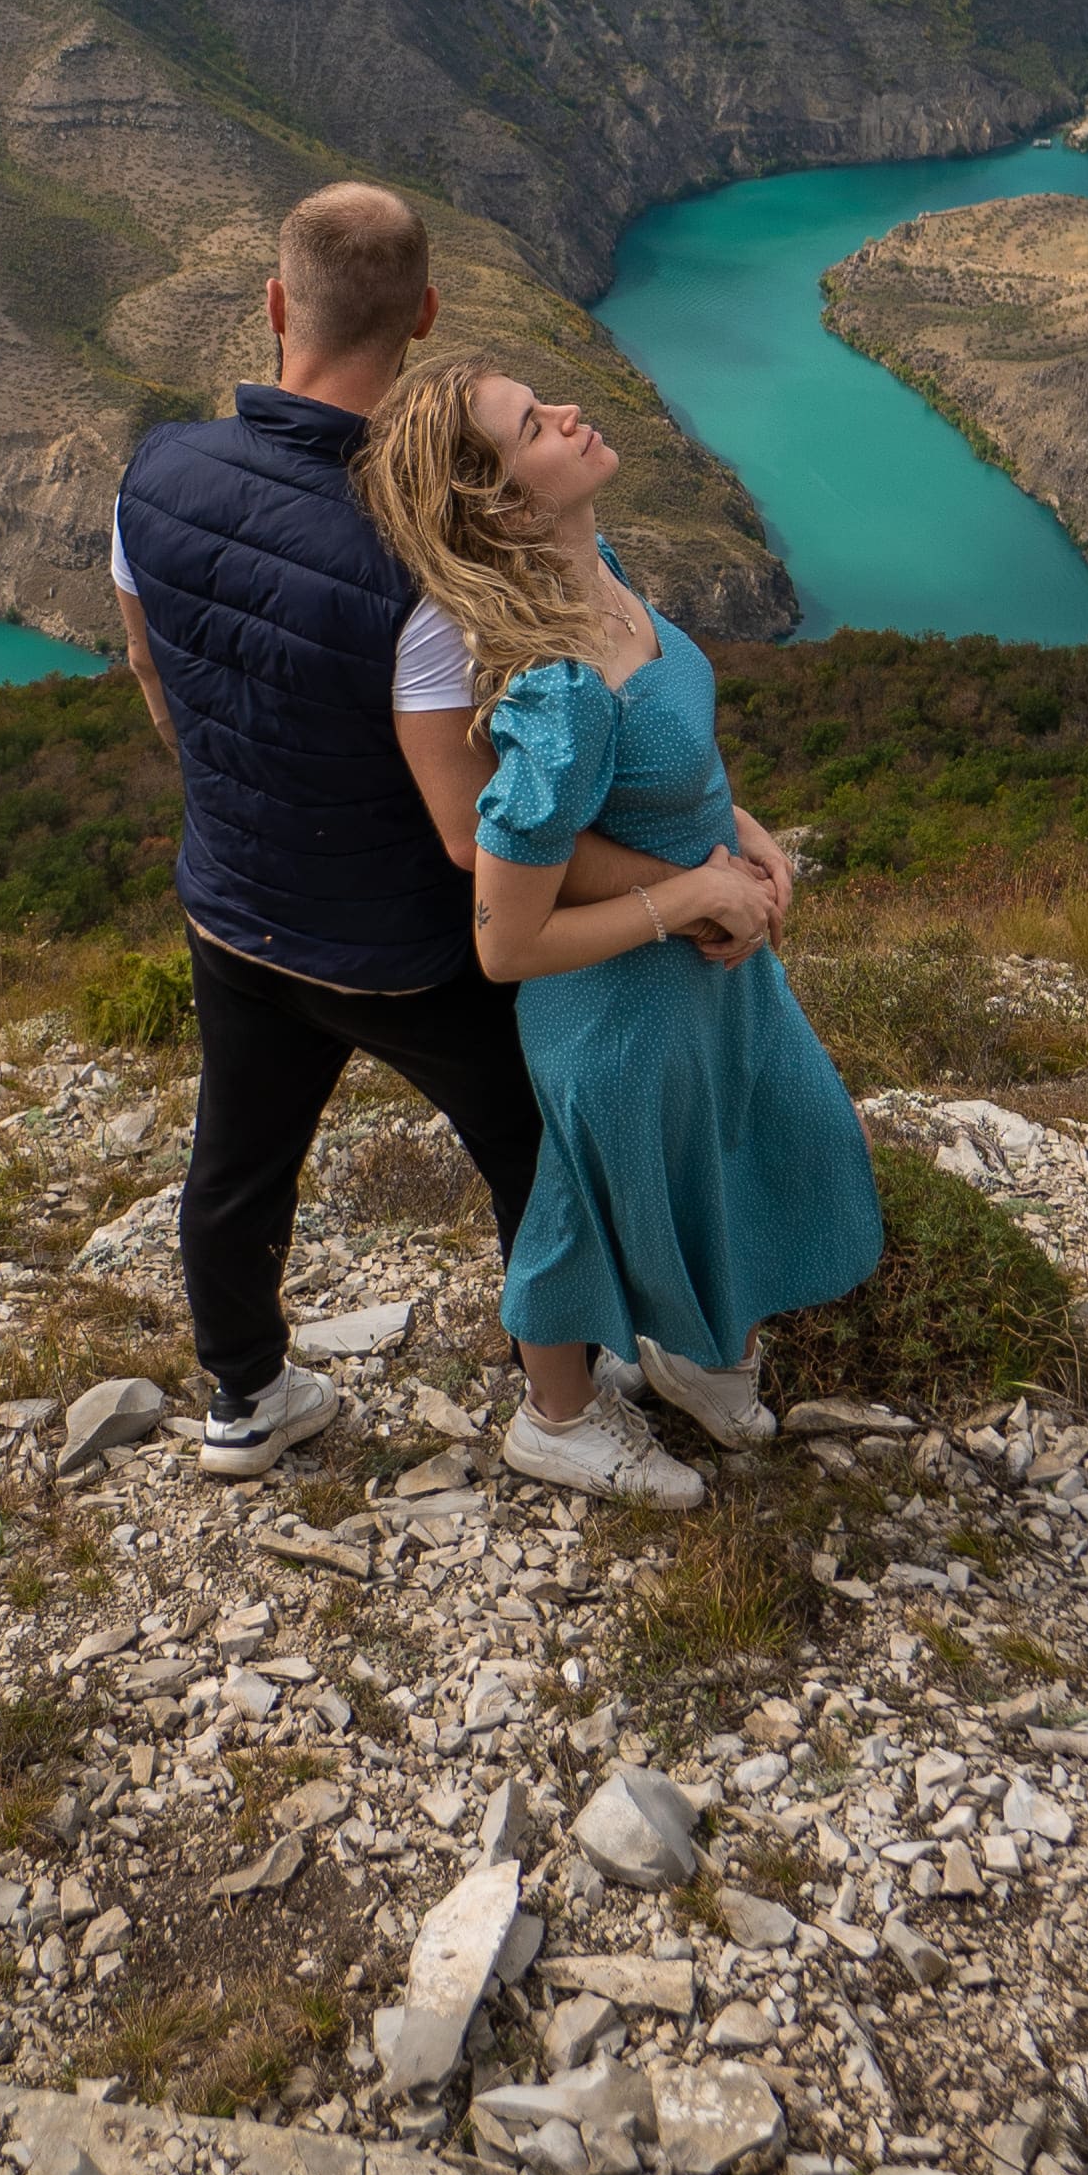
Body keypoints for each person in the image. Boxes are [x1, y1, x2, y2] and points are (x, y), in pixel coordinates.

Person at [113, 184, 764, 1481]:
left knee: (236, 1162)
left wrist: (236, 804)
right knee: (535, 1151)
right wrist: (689, 880)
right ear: (423, 317)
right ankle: (563, 1405)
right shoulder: (414, 560)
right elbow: (475, 834)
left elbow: (149, 671)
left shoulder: (155, 476)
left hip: (229, 904)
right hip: (395, 946)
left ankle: (244, 1396)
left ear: (275, 303)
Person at [355, 354, 884, 1505]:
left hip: (709, 968)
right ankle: (553, 1419)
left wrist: (745, 834)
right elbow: (505, 943)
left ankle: (696, 1356)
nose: (568, 411)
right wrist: (682, 900)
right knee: (583, 1211)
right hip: (614, 1009)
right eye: (532, 426)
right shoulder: (555, 692)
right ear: (502, 505)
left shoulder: (603, 568)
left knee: (747, 1143)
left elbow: (668, 755)